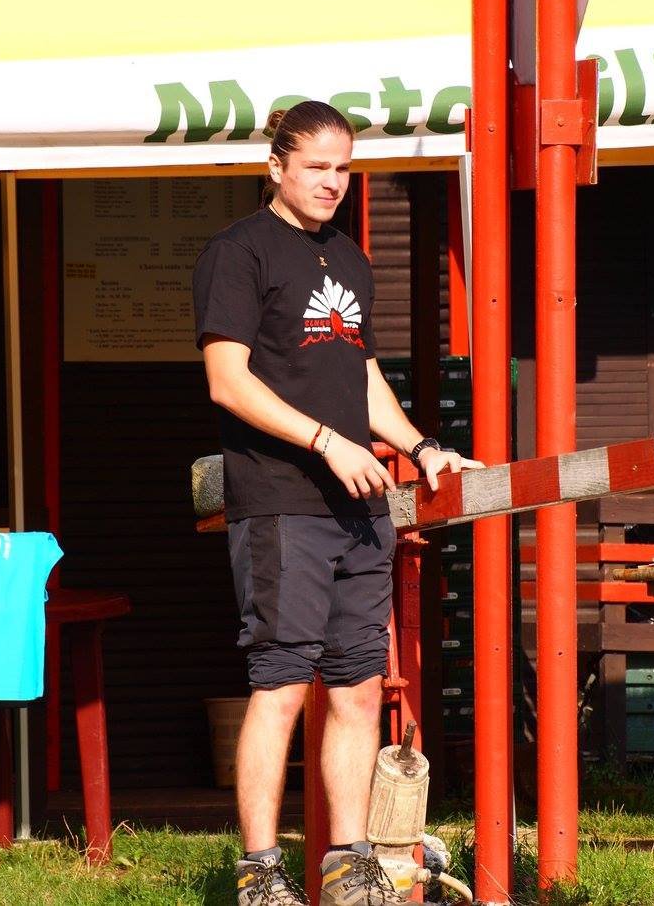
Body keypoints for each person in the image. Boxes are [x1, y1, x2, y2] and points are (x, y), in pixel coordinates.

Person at [193, 101, 479, 906]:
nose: (331, 182)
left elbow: (360, 374)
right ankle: (259, 874)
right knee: (281, 684)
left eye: (343, 168)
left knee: (356, 688)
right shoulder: (238, 253)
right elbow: (228, 382)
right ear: (276, 166)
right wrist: (326, 442)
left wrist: (420, 447)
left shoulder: (349, 258)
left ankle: (348, 867)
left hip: (360, 511)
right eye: (315, 166)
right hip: (282, 502)